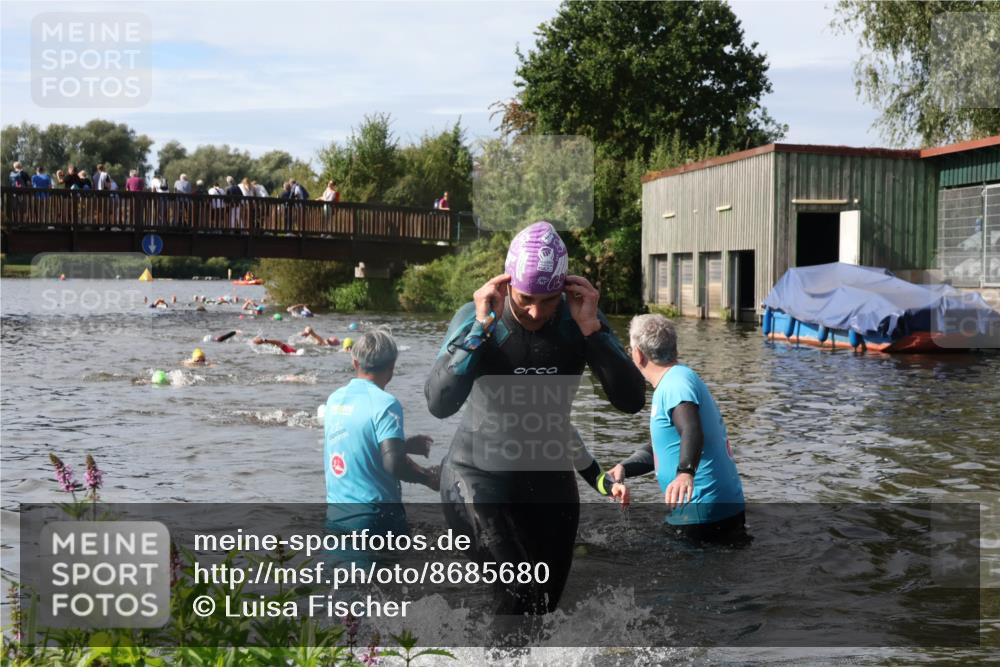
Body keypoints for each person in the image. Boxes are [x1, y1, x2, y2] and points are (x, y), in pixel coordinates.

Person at [424, 220, 645, 615]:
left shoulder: (578, 319)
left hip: (548, 481)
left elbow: (630, 401)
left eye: (548, 299)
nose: (535, 310)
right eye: (526, 297)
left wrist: (593, 332)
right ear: (507, 283)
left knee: (544, 609)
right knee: (515, 597)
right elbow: (439, 402)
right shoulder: (476, 318)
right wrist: (479, 329)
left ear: (564, 290)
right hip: (476, 478)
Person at [607, 314, 747, 544]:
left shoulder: (674, 385)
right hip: (716, 508)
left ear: (637, 354)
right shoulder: (679, 379)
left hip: (701, 512)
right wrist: (625, 467)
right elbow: (664, 448)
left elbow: (691, 429)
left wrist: (685, 473)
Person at [324, 328, 439, 536]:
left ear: (355, 362)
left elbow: (353, 444)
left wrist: (402, 445)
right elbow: (393, 463)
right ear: (392, 367)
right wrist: (427, 477)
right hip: (376, 519)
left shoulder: (334, 399)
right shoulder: (386, 404)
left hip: (336, 516)